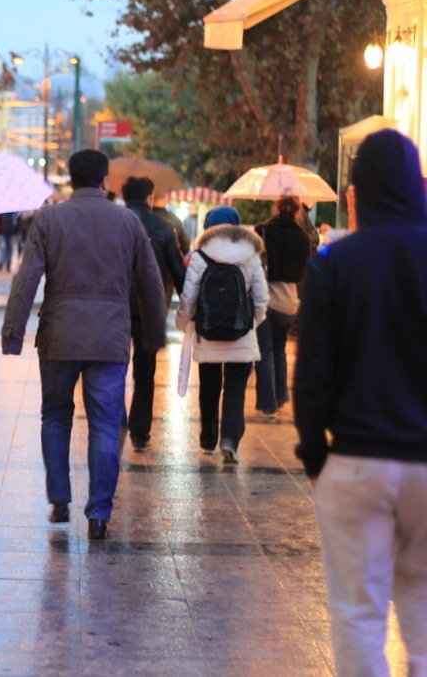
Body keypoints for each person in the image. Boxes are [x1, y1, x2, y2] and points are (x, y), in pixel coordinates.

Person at [294, 128, 427, 677]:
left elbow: (313, 374)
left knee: (357, 614)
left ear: (357, 194)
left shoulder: (333, 262)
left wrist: (314, 455)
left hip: (356, 461)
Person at [1, 149, 166, 538]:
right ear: (105, 181)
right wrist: (153, 335)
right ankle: (99, 515)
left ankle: (60, 500)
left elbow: (27, 279)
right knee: (106, 424)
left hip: (59, 335)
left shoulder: (50, 220)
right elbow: (150, 283)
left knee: (55, 415)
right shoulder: (127, 222)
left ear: (71, 180)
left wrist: (13, 333)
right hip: (109, 338)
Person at [175, 207, 268, 463]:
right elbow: (261, 299)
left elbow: (188, 297)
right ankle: (229, 440)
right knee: (236, 389)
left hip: (208, 333)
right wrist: (251, 323)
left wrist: (182, 321)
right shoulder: (251, 254)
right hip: (241, 333)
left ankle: (207, 440)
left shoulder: (201, 256)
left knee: (209, 386)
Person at [122, 176, 185, 450]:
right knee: (144, 374)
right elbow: (177, 269)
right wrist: (189, 304)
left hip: (116, 308)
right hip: (150, 309)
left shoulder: (115, 221)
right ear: (149, 197)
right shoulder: (162, 226)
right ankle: (139, 432)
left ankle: (116, 425)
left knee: (112, 371)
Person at [253, 195, 311, 419]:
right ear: (298, 212)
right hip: (289, 302)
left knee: (264, 350)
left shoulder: (263, 230)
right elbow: (305, 273)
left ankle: (268, 404)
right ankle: (280, 397)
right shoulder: (304, 238)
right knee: (280, 348)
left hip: (266, 299)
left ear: (276, 208)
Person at [152, 190, 191, 255]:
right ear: (165, 202)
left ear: (152, 200)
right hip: (170, 261)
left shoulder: (145, 218)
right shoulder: (174, 219)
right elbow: (185, 245)